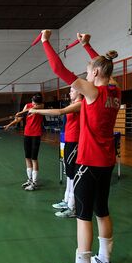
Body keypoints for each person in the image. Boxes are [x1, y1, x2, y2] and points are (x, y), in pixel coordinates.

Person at [41, 31, 120, 263]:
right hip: (107, 161)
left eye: (88, 72)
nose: (86, 75)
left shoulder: (91, 92)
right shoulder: (115, 89)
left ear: (95, 73)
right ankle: (105, 261)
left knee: (83, 217)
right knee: (102, 210)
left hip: (89, 162)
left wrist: (45, 42)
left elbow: (58, 67)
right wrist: (87, 46)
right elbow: (102, 65)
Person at [29, 87, 83, 217]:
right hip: (68, 140)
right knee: (69, 172)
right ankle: (67, 201)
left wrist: (37, 111)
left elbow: (59, 112)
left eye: (72, 90)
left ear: (80, 92)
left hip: (75, 141)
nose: (70, 92)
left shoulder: (80, 104)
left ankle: (73, 207)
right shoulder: (73, 104)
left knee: (72, 174)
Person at [4, 93, 45, 191]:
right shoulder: (28, 105)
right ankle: (29, 179)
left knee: (34, 158)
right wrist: (9, 125)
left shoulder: (41, 106)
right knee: (27, 157)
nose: (33, 103)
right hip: (27, 134)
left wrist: (22, 112)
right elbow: (19, 118)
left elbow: (35, 108)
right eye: (33, 101)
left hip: (36, 134)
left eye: (34, 102)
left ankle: (34, 182)